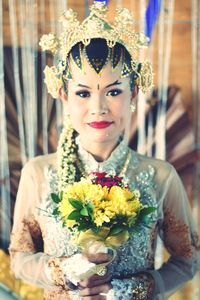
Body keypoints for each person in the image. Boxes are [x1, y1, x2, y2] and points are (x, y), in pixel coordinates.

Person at [9, 2, 200, 300]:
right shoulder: (39, 173)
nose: (98, 108)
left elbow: (188, 261)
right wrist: (63, 270)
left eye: (113, 91)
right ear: (63, 94)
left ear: (133, 92)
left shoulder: (160, 176)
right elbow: (21, 257)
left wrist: (129, 290)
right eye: (83, 93)